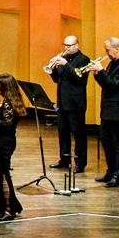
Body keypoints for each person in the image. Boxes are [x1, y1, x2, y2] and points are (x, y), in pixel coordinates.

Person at [90, 37, 119, 187]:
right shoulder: (113, 62)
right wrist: (97, 75)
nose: (106, 53)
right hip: (108, 110)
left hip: (118, 111)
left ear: (117, 48)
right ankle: (110, 172)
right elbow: (106, 84)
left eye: (108, 50)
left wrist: (101, 71)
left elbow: (114, 86)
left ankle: (118, 176)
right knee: (106, 141)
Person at [49, 36, 90, 172]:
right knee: (63, 133)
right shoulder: (63, 60)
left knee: (78, 135)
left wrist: (65, 64)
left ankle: (80, 163)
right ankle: (64, 160)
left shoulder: (84, 59)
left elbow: (78, 78)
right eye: (65, 45)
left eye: (69, 45)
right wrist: (53, 68)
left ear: (76, 45)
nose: (66, 48)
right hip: (62, 102)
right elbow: (56, 79)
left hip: (75, 104)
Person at [0, 73, 26, 221]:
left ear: (4, 87)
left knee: (2, 175)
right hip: (5, 141)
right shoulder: (9, 101)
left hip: (4, 143)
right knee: (1, 173)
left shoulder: (8, 103)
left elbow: (7, 126)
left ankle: (9, 209)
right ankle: (14, 205)